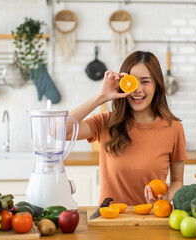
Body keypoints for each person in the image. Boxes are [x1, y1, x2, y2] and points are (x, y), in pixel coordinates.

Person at [67, 51, 188, 206]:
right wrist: (100, 97)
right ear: (123, 85)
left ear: (157, 85)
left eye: (145, 81)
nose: (137, 89)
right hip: (111, 221)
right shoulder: (106, 122)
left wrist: (166, 198)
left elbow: (177, 182)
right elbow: (58, 132)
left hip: (151, 219)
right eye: (132, 81)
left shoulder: (174, 129)